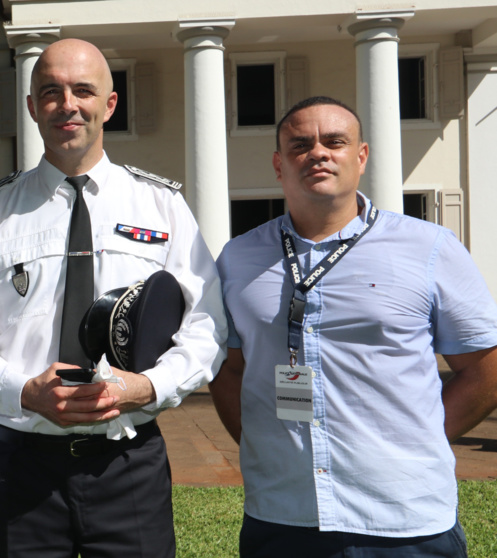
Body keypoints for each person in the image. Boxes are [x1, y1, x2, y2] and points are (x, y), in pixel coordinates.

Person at [0, 38, 225, 557]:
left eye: (83, 91)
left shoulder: (162, 207)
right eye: (50, 92)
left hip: (127, 461)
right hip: (21, 462)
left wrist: (147, 387)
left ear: (109, 105)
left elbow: (205, 326)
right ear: (32, 107)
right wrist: (23, 390)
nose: (67, 104)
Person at [211, 96, 497, 557]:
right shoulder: (238, 259)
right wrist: (268, 450)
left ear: (360, 156)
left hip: (406, 519)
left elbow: (486, 367)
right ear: (278, 164)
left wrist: (415, 441)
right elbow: (228, 370)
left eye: (335, 142)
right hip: (284, 515)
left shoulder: (429, 248)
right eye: (300, 145)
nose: (318, 153)